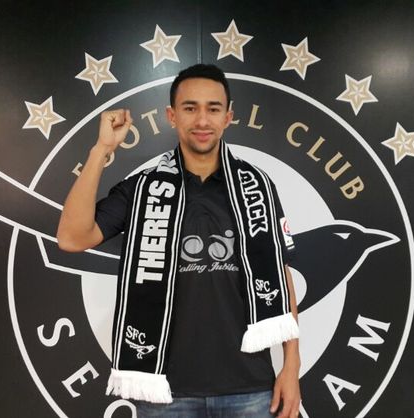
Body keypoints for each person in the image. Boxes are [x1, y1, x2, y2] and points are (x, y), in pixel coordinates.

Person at [57, 64, 300, 418]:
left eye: (213, 109)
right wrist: (101, 149)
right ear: (172, 116)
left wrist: (291, 366)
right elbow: (71, 237)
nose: (202, 120)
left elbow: (280, 275)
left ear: (228, 117)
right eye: (190, 108)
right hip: (164, 391)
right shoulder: (142, 189)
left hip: (249, 386)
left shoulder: (256, 188)